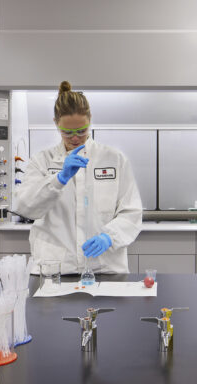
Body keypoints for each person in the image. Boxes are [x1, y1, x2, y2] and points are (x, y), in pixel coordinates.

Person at [16, 81, 143, 274]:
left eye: (82, 131)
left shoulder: (114, 159)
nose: (75, 138)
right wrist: (58, 180)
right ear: (56, 124)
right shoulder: (41, 161)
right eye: (67, 132)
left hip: (104, 268)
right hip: (56, 269)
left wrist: (110, 237)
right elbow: (26, 207)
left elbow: (131, 212)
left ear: (90, 120)